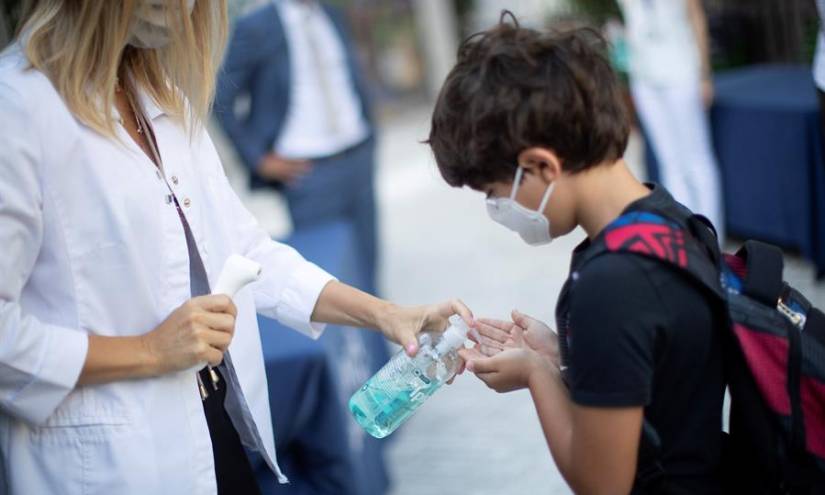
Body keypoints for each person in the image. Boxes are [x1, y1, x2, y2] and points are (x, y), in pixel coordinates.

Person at [0, 1, 472, 494]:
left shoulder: (159, 97)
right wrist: (147, 351)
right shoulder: (16, 109)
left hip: (211, 427)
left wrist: (386, 314)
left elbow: (247, 252)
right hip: (106, 464)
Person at [427, 14, 726, 494]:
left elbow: (601, 484)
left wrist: (537, 374)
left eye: (494, 192)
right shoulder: (670, 218)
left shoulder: (610, 285)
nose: (496, 209)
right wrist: (567, 355)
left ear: (541, 165)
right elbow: (660, 364)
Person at [215, 0, 379, 294]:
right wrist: (258, 159)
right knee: (329, 284)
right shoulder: (257, 26)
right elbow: (220, 98)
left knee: (370, 270)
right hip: (307, 175)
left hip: (357, 156)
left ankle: (388, 340)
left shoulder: (330, 13)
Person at [619, 0, 724, 239]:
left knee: (696, 159)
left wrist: (704, 73)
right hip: (643, 74)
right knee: (670, 161)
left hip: (681, 68)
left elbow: (696, 17)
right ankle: (686, 234)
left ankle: (711, 237)